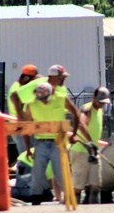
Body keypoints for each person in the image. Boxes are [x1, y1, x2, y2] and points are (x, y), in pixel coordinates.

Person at [21, 66, 87, 205]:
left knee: (61, 172)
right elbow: (26, 127)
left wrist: (74, 134)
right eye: (42, 99)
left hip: (59, 141)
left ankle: (69, 198)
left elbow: (76, 113)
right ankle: (36, 200)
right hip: (40, 142)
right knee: (38, 174)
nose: (44, 102)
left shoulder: (60, 98)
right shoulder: (32, 105)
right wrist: (28, 148)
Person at [69, 86, 111, 204]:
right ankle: (73, 207)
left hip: (92, 151)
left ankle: (93, 211)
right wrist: (89, 141)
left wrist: (93, 145)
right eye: (99, 102)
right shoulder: (87, 109)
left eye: (104, 102)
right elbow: (81, 123)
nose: (101, 104)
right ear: (93, 98)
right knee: (77, 186)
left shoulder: (100, 110)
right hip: (80, 150)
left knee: (95, 185)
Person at [7, 64, 40, 157]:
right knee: (27, 157)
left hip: (22, 126)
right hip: (20, 127)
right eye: (33, 80)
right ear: (26, 78)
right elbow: (24, 110)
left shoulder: (17, 86)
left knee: (29, 157)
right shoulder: (18, 89)